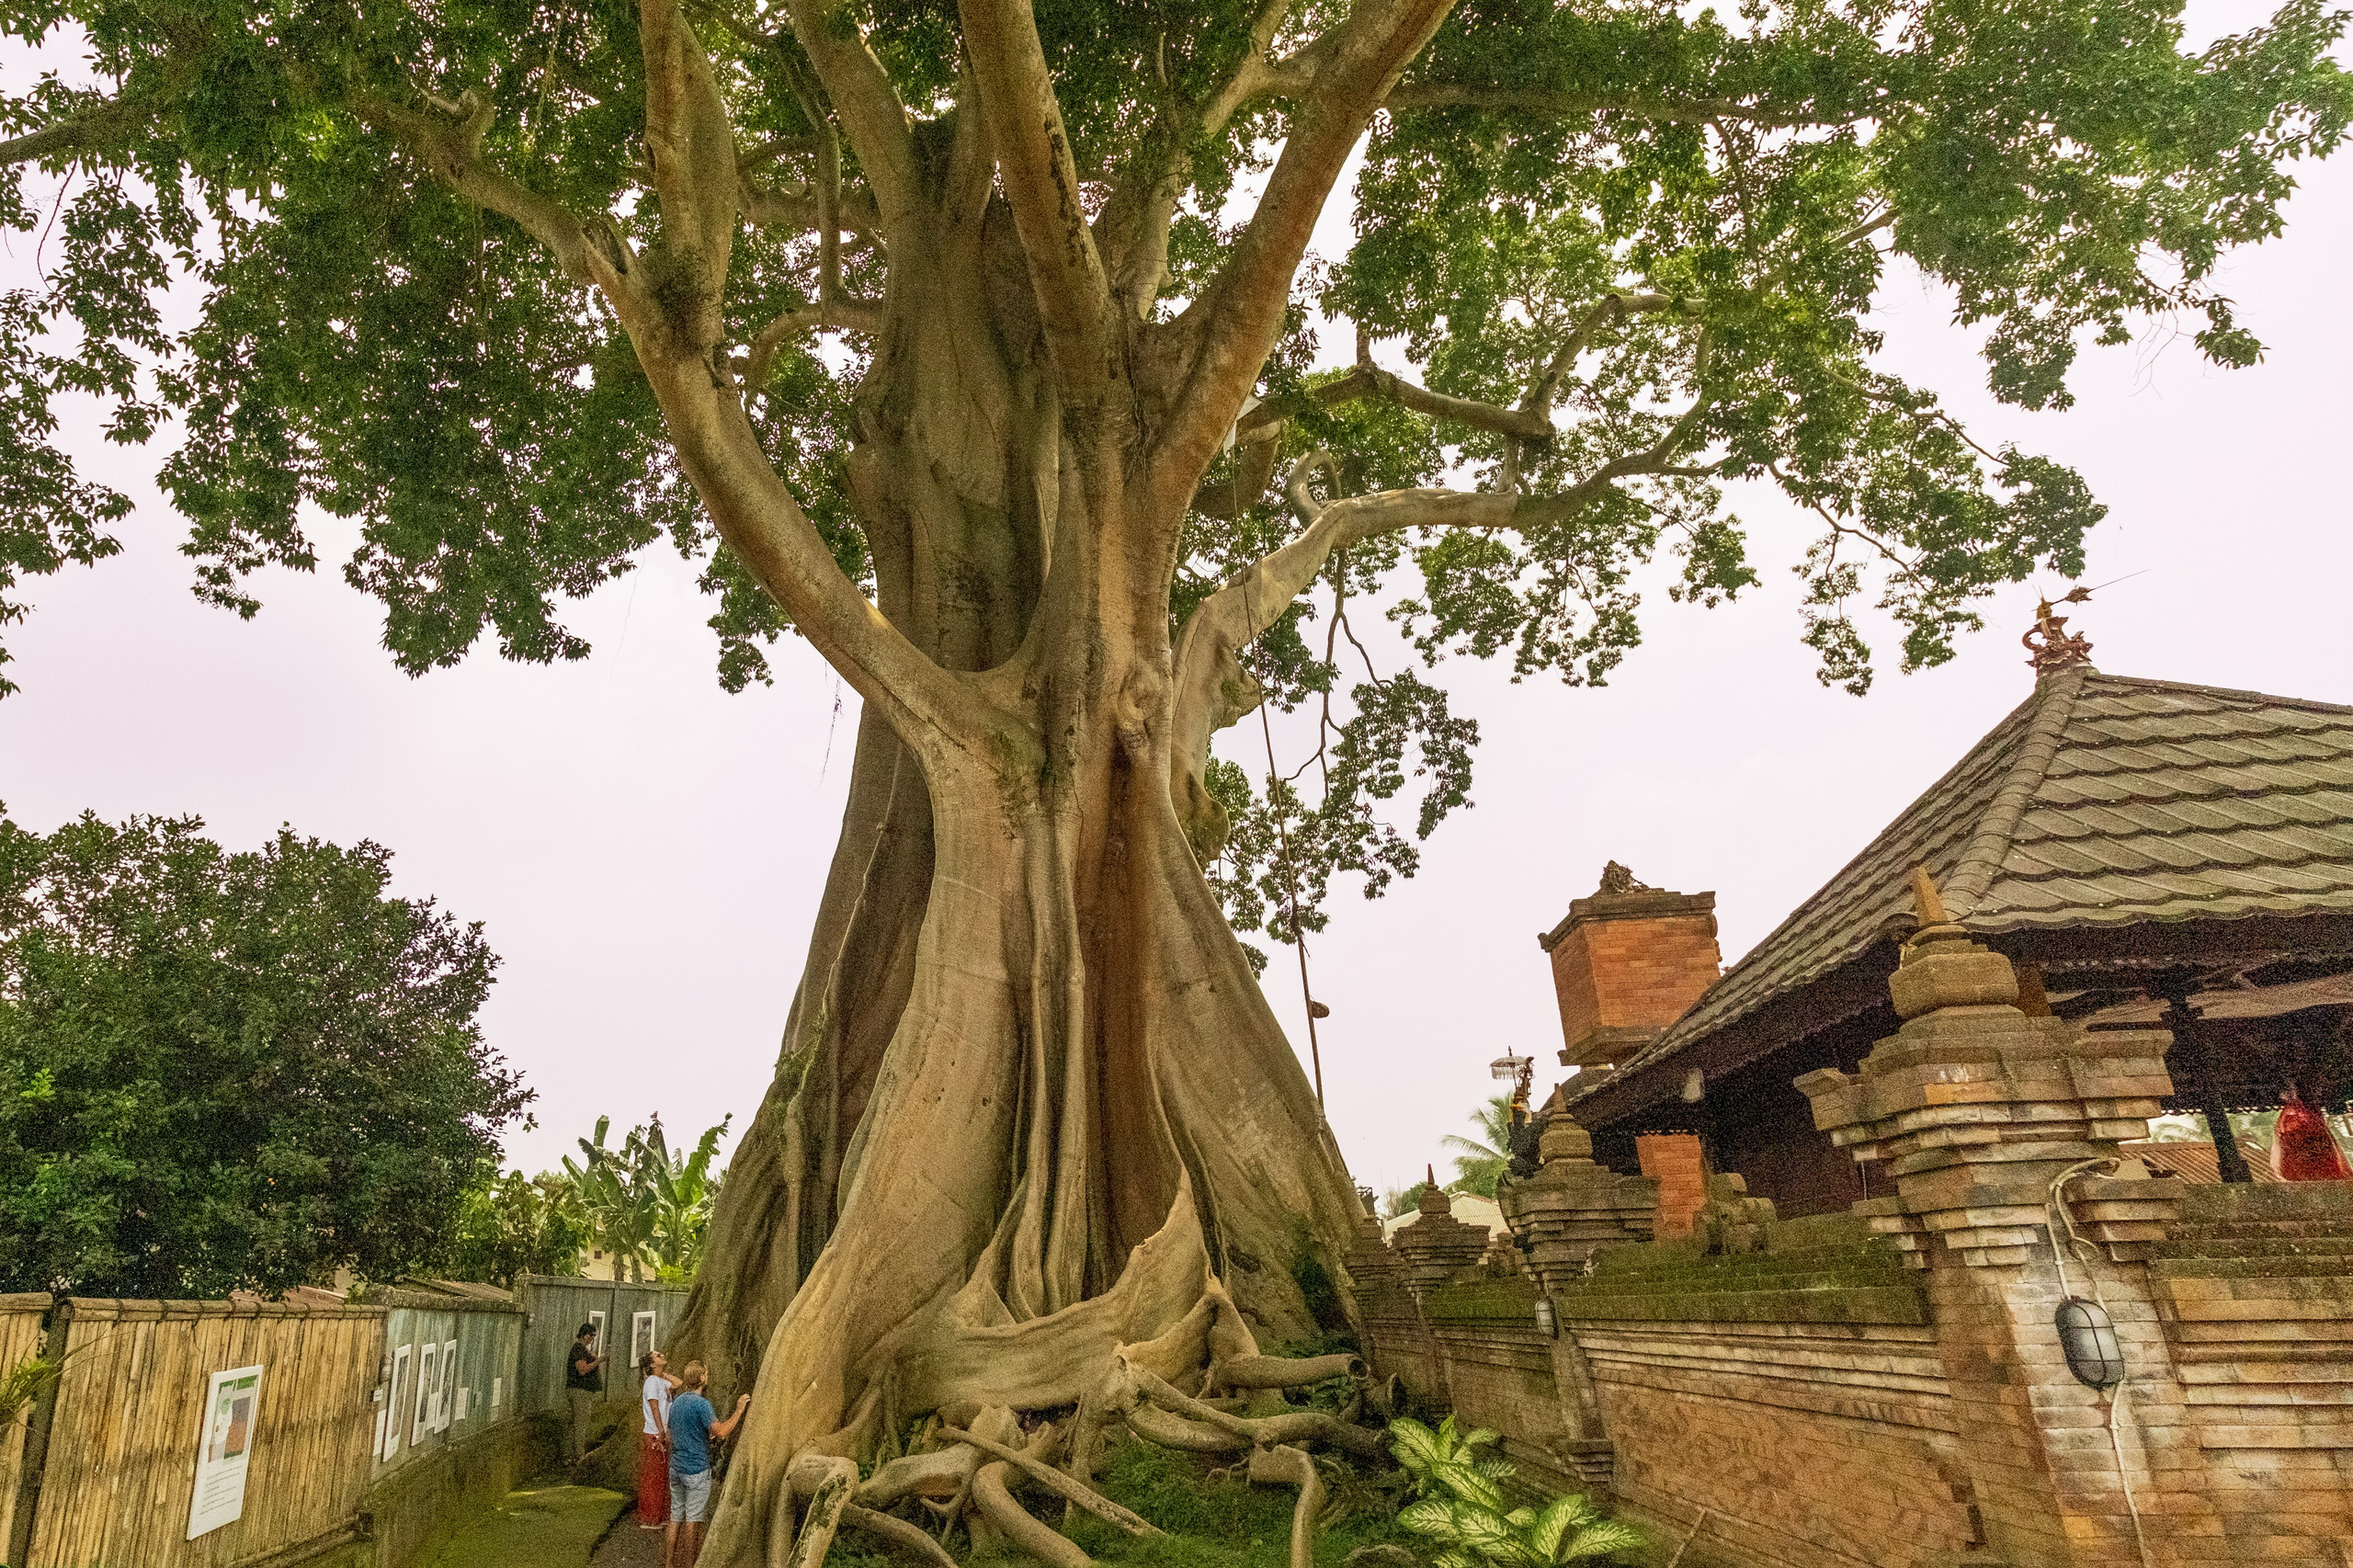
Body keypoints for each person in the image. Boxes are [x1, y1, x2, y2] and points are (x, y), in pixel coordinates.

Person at [664, 1362, 749, 1568]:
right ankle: (692, 1564)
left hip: (675, 1468)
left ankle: (668, 1564)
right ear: (701, 1379)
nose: (708, 1377)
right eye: (707, 1374)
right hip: (696, 1470)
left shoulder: (677, 1403)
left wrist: (700, 1437)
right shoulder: (702, 1404)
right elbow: (720, 1432)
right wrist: (738, 1411)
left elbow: (670, 1435)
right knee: (693, 1520)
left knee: (676, 1517)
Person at [638, 1349, 682, 1530]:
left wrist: (663, 1373)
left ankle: (658, 1515)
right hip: (655, 1433)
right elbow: (654, 1405)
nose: (662, 1355)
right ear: (651, 1364)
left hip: (662, 1433)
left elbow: (679, 1383)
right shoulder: (651, 1382)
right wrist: (661, 1429)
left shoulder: (661, 1381)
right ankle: (648, 1518)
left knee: (662, 1475)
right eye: (657, 1355)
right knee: (653, 1475)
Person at [563, 1322, 605, 1465]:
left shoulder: (583, 1350)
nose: (591, 1338)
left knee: (574, 1424)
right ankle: (579, 1456)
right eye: (590, 1335)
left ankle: (568, 1456)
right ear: (583, 1334)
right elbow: (583, 1370)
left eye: (594, 1335)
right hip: (580, 1391)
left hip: (580, 1390)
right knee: (581, 1423)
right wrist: (600, 1360)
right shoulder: (578, 1350)